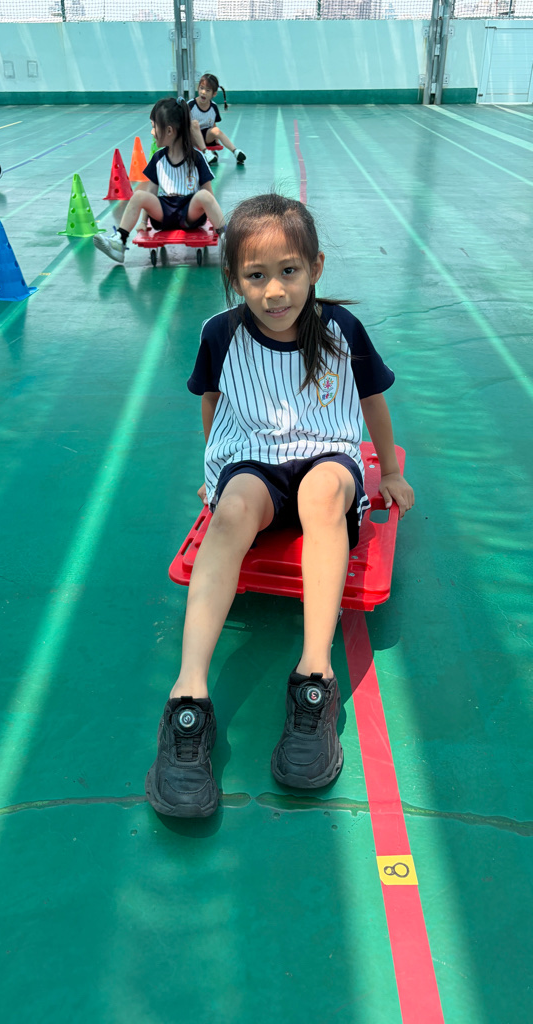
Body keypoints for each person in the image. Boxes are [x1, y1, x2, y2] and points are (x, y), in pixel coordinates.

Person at [145, 193, 415, 818]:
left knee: (323, 495)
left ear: (315, 267)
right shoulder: (220, 333)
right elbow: (212, 400)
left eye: (288, 271)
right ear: (233, 277)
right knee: (232, 512)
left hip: (325, 457)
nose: (274, 291)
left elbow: (371, 398)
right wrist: (213, 471)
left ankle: (315, 676)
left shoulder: (341, 331)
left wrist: (392, 469)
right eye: (256, 275)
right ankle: (189, 697)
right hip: (255, 461)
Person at [93, 97, 225, 264]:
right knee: (139, 195)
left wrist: (213, 221)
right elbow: (151, 195)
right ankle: (119, 241)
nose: (152, 132)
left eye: (154, 126)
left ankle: (227, 238)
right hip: (165, 211)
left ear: (169, 130)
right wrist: (143, 222)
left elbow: (209, 196)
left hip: (190, 212)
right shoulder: (157, 159)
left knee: (204, 195)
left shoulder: (197, 157)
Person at [188, 74, 246, 166]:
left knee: (216, 130)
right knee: (194, 123)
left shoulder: (213, 107)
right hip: (191, 137)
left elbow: (213, 123)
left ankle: (235, 151)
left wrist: (216, 137)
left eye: (207, 90)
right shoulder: (190, 105)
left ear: (214, 94)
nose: (203, 92)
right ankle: (206, 152)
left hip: (206, 136)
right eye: (201, 88)